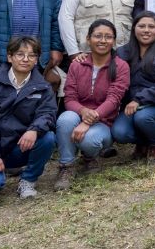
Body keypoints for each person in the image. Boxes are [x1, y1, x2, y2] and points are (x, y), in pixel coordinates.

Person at [0, 36, 57, 199]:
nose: (25, 59)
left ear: (37, 60)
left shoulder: (43, 88)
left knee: (48, 138)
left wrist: (34, 130)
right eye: (20, 54)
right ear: (9, 57)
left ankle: (28, 180)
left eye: (31, 55)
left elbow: (48, 114)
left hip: (18, 147)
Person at [54, 20, 130, 189]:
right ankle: (67, 166)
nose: (103, 40)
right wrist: (83, 112)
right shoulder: (77, 65)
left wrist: (88, 121)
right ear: (88, 39)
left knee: (89, 142)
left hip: (104, 122)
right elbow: (70, 98)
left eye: (108, 37)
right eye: (98, 36)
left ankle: (89, 157)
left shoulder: (121, 66)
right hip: (78, 114)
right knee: (65, 119)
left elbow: (114, 99)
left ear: (114, 42)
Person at [113, 12, 155, 159]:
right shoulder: (122, 52)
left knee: (143, 118)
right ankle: (144, 141)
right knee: (119, 133)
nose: (146, 30)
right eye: (141, 26)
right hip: (130, 105)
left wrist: (139, 100)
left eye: (151, 26)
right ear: (134, 28)